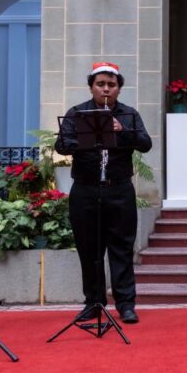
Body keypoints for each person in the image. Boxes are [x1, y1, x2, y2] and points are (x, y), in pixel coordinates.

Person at [55, 63, 152, 324]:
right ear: (91, 87)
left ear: (119, 88)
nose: (106, 89)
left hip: (119, 189)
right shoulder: (77, 113)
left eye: (111, 85)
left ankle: (125, 304)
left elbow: (145, 144)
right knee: (89, 250)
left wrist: (121, 133)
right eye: (101, 84)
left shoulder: (129, 115)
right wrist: (94, 137)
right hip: (85, 189)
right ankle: (93, 303)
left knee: (121, 249)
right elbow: (62, 144)